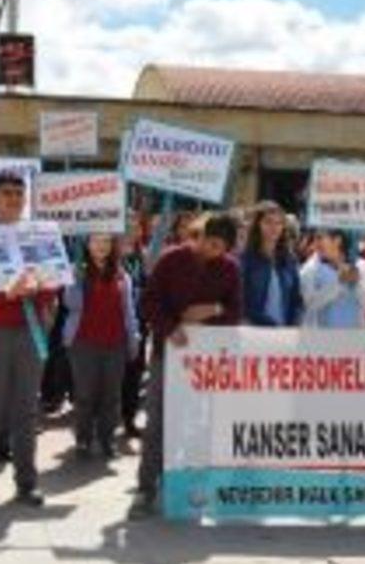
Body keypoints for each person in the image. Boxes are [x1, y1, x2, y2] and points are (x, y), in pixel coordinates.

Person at [130, 212, 243, 519]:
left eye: (218, 246)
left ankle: (185, 489)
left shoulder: (230, 269)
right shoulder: (171, 259)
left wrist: (212, 309)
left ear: (228, 248)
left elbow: (234, 313)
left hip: (204, 362)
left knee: (195, 425)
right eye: (207, 241)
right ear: (199, 234)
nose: (210, 249)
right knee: (157, 424)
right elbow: (148, 302)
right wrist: (170, 327)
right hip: (167, 356)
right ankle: (145, 489)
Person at [0, 174, 58, 509]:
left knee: (27, 410)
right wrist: (8, 293)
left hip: (31, 331)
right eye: (7, 193)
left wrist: (38, 289)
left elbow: (53, 283)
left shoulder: (38, 234)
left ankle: (27, 484)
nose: (14, 198)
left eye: (19, 193)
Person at [62, 234, 140, 459]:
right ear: (87, 244)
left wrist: (133, 337)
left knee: (111, 396)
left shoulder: (122, 275)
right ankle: (83, 440)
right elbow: (70, 304)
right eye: (96, 241)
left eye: (106, 241)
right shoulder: (76, 271)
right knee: (85, 395)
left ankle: (107, 440)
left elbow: (128, 311)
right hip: (83, 343)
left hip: (115, 344)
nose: (101, 246)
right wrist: (75, 280)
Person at [240, 201, 303, 327]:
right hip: (254, 331)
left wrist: (294, 325)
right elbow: (241, 301)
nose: (274, 227)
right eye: (268, 222)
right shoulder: (246, 259)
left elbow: (296, 299)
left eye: (279, 223)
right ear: (258, 225)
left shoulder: (289, 260)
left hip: (284, 333)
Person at [300, 229, 365, 329]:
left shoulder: (362, 266)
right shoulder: (310, 269)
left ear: (337, 240)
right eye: (315, 239)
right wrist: (339, 283)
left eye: (320, 238)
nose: (315, 244)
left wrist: (356, 284)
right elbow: (308, 304)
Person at [120, 213, 149, 438]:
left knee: (134, 374)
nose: (132, 231)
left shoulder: (142, 256)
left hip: (139, 324)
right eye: (127, 226)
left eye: (135, 227)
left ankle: (129, 419)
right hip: (114, 325)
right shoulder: (110, 256)